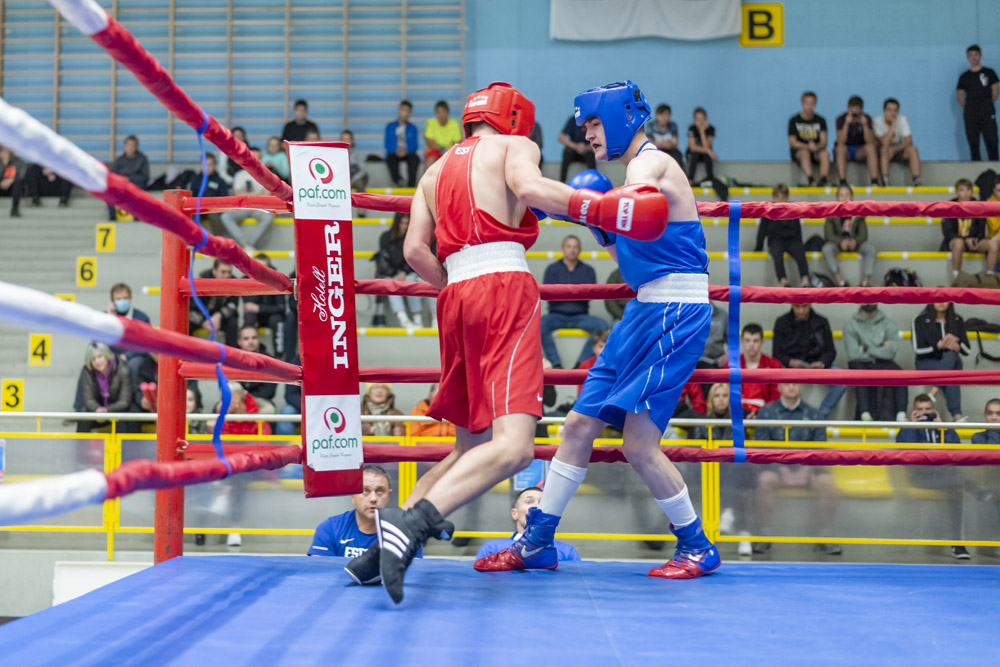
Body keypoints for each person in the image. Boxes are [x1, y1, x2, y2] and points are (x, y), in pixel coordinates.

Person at [350, 81, 666, 602]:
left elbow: (413, 251)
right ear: (515, 118)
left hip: (455, 298)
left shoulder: (433, 171)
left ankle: (382, 548)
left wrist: (456, 282)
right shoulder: (514, 146)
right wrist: (607, 210)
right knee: (516, 448)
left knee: (470, 447)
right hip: (502, 288)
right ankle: (415, 523)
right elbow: (533, 190)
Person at [475, 80, 719, 581]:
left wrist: (571, 202)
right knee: (578, 426)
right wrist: (590, 216)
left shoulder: (651, 165)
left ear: (621, 119)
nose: (587, 134)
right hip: (643, 308)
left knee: (639, 445)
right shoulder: (625, 181)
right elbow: (628, 256)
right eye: (585, 126)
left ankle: (697, 547)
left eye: (593, 123)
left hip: (675, 308)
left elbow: (637, 199)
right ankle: (537, 542)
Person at [753, 382, 840, 555]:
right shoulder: (765, 413)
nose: (791, 387)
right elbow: (762, 451)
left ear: (800, 386)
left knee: (827, 483)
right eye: (786, 383)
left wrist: (807, 468)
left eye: (795, 383)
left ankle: (825, 536)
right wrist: (780, 468)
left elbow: (820, 450)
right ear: (779, 387)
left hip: (808, 470)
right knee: (764, 480)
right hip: (776, 470)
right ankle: (764, 535)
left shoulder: (815, 414)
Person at [895, 394, 967, 559]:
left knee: (956, 488)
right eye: (920, 409)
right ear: (913, 411)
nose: (924, 413)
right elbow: (905, 453)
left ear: (934, 410)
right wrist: (912, 426)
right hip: (920, 476)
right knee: (957, 485)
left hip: (944, 476)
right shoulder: (906, 429)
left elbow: (956, 450)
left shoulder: (943, 427)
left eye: (927, 409)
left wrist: (942, 427)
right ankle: (974, 488)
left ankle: (957, 542)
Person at [687, 383, 754, 556]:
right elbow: (695, 455)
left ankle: (730, 516)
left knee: (736, 475)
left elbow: (743, 452)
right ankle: (741, 530)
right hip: (706, 473)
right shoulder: (700, 423)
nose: (721, 400)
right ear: (710, 400)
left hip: (734, 473)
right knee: (732, 480)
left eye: (725, 396)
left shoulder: (738, 423)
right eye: (717, 396)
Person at [539, 235, 609, 368]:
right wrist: (576, 293)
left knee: (602, 324)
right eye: (569, 246)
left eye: (575, 247)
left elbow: (590, 295)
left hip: (581, 316)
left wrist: (563, 293)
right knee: (540, 323)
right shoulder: (552, 269)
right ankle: (556, 364)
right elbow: (548, 295)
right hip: (556, 315)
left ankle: (580, 364)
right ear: (563, 248)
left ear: (580, 249)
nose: (572, 250)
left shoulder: (588, 270)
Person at [771, 303, 845, 418]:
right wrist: (790, 362)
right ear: (791, 305)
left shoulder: (821, 321)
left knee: (842, 380)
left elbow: (831, 351)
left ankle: (820, 415)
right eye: (797, 307)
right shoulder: (782, 322)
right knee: (773, 375)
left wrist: (822, 363)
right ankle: (783, 416)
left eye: (804, 306)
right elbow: (776, 353)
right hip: (790, 367)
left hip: (817, 366)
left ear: (810, 305)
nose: (801, 311)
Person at [308, 465, 397, 558]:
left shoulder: (401, 533)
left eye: (380, 491)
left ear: (389, 495)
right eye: (365, 490)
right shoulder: (330, 528)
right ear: (353, 495)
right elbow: (319, 566)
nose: (373, 499)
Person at [474, 487, 581, 564]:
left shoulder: (567, 551)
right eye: (529, 502)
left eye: (542, 503)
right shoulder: (491, 549)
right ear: (514, 513)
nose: (537, 506)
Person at [843, 304, 907, 422]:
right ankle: (864, 414)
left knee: (902, 375)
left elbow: (891, 353)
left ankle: (901, 415)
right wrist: (880, 347)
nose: (869, 302)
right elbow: (852, 354)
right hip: (860, 362)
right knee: (860, 375)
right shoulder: (850, 324)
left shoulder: (888, 323)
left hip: (883, 362)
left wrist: (865, 348)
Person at [912, 303, 970, 421]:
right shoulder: (920, 320)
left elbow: (967, 350)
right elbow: (918, 349)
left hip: (950, 362)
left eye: (945, 298)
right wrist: (939, 345)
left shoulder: (957, 320)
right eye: (937, 298)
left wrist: (956, 342)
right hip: (926, 362)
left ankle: (933, 391)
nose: (941, 302)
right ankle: (957, 416)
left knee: (951, 356)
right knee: (951, 373)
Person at [373, 212, 431, 328]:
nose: (404, 226)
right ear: (397, 223)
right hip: (391, 274)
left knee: (410, 280)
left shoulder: (413, 238)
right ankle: (403, 318)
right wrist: (395, 274)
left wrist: (404, 271)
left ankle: (417, 318)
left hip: (408, 273)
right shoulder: (385, 237)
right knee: (390, 282)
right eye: (402, 223)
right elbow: (383, 259)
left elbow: (414, 258)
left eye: (407, 223)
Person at [754, 183, 811, 287]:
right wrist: (759, 247)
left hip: (792, 240)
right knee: (777, 254)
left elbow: (798, 229)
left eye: (783, 198)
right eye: (778, 198)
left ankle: (805, 280)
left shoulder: (793, 209)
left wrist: (800, 243)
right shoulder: (768, 210)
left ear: (787, 198)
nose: (781, 201)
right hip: (775, 240)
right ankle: (784, 281)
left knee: (800, 253)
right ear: (773, 198)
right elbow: (762, 230)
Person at [221, 147, 274, 252]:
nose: (255, 160)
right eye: (253, 157)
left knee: (268, 217)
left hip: (259, 208)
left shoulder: (266, 174)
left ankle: (249, 244)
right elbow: (237, 195)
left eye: (258, 158)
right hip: (243, 207)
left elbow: (267, 194)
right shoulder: (239, 175)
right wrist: (259, 193)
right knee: (225, 216)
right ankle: (246, 244)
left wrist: (246, 193)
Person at [822, 183, 876, 286]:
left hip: (854, 243)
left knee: (871, 249)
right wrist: (840, 242)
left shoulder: (858, 212)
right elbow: (828, 234)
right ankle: (840, 280)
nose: (844, 198)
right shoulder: (831, 212)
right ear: (837, 198)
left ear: (852, 197)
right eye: (841, 195)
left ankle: (865, 282)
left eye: (847, 195)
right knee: (826, 248)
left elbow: (864, 234)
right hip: (838, 244)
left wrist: (856, 241)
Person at [942, 178, 996, 278]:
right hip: (956, 242)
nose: (965, 193)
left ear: (972, 192)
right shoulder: (949, 208)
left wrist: (976, 239)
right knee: (958, 242)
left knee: (993, 244)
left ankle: (990, 276)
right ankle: (957, 277)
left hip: (974, 241)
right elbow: (948, 232)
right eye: (962, 190)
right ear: (956, 193)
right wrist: (965, 240)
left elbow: (981, 230)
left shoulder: (979, 207)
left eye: (968, 190)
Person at [76, 342, 134, 433]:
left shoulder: (123, 368)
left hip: (116, 411)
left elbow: (125, 401)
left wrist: (107, 410)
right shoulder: (87, 371)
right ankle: (81, 443)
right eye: (93, 359)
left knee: (122, 420)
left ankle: (124, 444)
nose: (97, 361)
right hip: (98, 412)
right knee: (83, 419)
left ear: (107, 355)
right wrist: (97, 409)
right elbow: (88, 399)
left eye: (100, 356)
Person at [957, 45, 1000, 162]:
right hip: (971, 111)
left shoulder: (989, 72)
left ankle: (995, 168)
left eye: (975, 54)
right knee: (973, 141)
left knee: (992, 140)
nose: (973, 57)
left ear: (980, 56)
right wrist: (970, 106)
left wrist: (985, 105)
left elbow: (995, 92)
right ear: (967, 57)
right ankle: (975, 168)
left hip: (987, 110)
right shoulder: (964, 77)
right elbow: (960, 95)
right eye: (970, 55)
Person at [242, 253, 286, 356]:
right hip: (256, 317)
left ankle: (279, 356)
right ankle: (248, 354)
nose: (259, 271)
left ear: (269, 269)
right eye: (256, 268)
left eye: (263, 268)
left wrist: (259, 308)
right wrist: (255, 281)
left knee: (278, 319)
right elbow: (248, 306)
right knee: (249, 316)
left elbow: (281, 308)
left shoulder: (278, 279)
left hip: (272, 317)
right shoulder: (245, 279)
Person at [189, 259, 239, 346]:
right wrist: (203, 322)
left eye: (229, 272)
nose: (227, 275)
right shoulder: (201, 282)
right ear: (214, 271)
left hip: (220, 317)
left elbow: (233, 305)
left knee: (232, 322)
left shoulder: (234, 282)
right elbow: (191, 308)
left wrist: (219, 315)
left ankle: (231, 353)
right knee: (186, 323)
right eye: (223, 272)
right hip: (201, 318)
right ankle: (184, 352)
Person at [737, 323, 782, 416]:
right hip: (736, 413)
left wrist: (760, 413)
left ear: (762, 341)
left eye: (755, 341)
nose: (751, 345)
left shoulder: (774, 365)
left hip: (766, 414)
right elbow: (727, 394)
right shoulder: (731, 365)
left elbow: (776, 397)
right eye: (747, 340)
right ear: (741, 341)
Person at [874, 98, 921, 186]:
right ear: (884, 111)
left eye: (895, 110)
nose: (892, 113)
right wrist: (892, 126)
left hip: (898, 149)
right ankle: (885, 181)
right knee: (884, 149)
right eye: (889, 110)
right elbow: (884, 142)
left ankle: (917, 180)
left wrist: (894, 149)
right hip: (884, 153)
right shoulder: (878, 121)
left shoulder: (902, 119)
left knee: (913, 149)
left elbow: (909, 141)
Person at [834, 96, 879, 186]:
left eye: (857, 109)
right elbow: (840, 141)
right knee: (840, 148)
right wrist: (846, 124)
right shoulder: (841, 119)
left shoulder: (867, 118)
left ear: (861, 109)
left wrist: (865, 125)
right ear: (848, 109)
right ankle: (843, 181)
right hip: (846, 150)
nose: (854, 112)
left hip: (860, 150)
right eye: (852, 109)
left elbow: (870, 141)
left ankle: (874, 181)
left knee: (870, 147)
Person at [788, 91, 830, 186]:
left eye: (812, 103)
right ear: (802, 103)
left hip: (816, 150)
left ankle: (823, 179)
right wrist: (807, 146)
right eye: (807, 103)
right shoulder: (794, 120)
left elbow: (824, 141)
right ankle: (811, 179)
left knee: (825, 154)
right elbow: (792, 142)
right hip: (800, 152)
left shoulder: (821, 120)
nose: (809, 106)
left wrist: (816, 147)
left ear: (815, 104)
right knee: (804, 152)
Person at [235, 325, 277, 414]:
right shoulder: (232, 361)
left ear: (258, 339)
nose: (251, 341)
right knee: (220, 407)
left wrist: (247, 397)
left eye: (254, 338)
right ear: (239, 341)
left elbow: (269, 392)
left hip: (260, 400)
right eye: (246, 338)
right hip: (236, 400)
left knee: (269, 410)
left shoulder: (269, 360)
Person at [108, 135, 149, 220]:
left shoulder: (142, 159)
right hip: (122, 186)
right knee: (110, 193)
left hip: (137, 185)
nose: (130, 148)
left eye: (133, 146)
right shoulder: (119, 160)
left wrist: (130, 179)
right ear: (124, 146)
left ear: (136, 147)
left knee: (138, 193)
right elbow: (114, 176)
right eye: (128, 145)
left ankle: (137, 217)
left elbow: (145, 177)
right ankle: (113, 218)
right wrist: (122, 180)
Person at [384, 100, 420, 187]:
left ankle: (411, 185)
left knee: (414, 159)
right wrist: (396, 149)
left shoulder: (413, 128)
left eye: (408, 111)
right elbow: (387, 144)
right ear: (399, 110)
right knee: (390, 158)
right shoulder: (390, 126)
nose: (406, 113)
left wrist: (406, 150)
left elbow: (415, 145)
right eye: (404, 110)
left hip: (408, 153)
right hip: (394, 153)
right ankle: (398, 182)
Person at [558, 114, 596, 182]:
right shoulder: (572, 120)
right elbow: (561, 138)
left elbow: (599, 139)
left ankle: (594, 181)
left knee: (591, 156)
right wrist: (576, 146)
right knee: (567, 153)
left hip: (587, 151)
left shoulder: (592, 121)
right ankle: (562, 182)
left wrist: (585, 148)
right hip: (573, 151)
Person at [424, 100, 462, 168]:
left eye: (443, 112)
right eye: (439, 112)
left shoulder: (454, 124)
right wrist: (442, 149)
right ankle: (429, 175)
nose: (441, 115)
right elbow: (429, 141)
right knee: (431, 159)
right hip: (435, 151)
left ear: (448, 112)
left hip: (450, 152)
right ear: (436, 113)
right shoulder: (431, 123)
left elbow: (457, 142)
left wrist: (448, 151)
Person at [685, 107, 716, 184]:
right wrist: (709, 151)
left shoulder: (710, 129)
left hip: (704, 155)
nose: (700, 122)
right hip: (693, 154)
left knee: (707, 155)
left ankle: (710, 178)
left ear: (706, 119)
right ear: (694, 120)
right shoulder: (692, 128)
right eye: (698, 119)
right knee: (695, 154)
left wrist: (702, 131)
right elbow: (693, 147)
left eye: (702, 119)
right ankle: (690, 179)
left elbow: (707, 146)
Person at [274, 354, 301, 438]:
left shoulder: (331, 359)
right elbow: (290, 395)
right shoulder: (297, 361)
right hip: (302, 406)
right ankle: (285, 444)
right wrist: (308, 406)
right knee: (287, 411)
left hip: (325, 405)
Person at [576, 330, 609, 395]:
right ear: (594, 349)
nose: (604, 350)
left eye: (607, 346)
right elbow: (581, 393)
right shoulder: (585, 365)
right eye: (600, 346)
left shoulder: (615, 365)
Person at [0, 146, 26, 217]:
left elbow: (22, 176)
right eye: (4, 151)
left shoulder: (20, 163)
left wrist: (11, 179)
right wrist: (4, 164)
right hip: (2, 186)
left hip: (14, 189)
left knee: (17, 183)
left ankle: (15, 209)